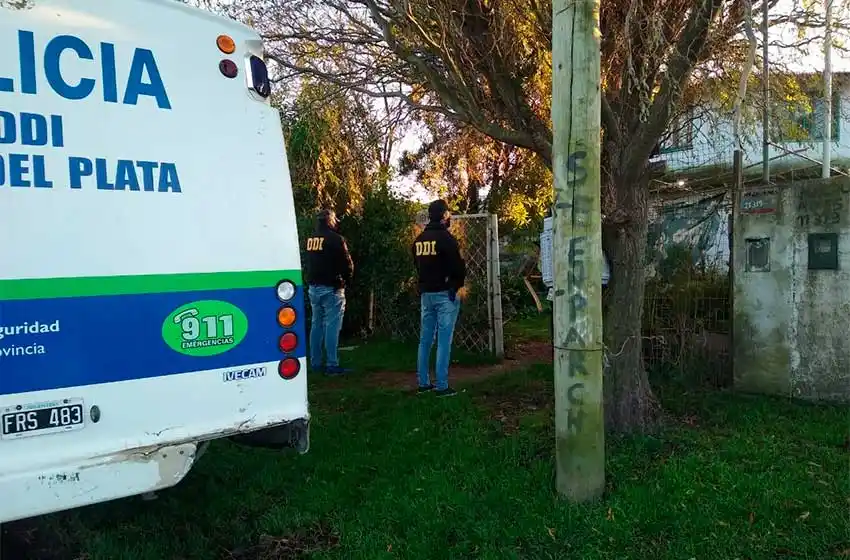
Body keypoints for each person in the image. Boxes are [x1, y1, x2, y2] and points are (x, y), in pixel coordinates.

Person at [412, 199, 466, 397]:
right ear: (444, 215)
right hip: (445, 294)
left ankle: (423, 383)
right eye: (448, 213)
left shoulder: (419, 240)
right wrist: (455, 286)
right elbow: (459, 268)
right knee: (444, 341)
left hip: (426, 294)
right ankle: (442, 385)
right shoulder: (447, 239)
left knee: (425, 340)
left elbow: (416, 265)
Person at [304, 209, 354, 376]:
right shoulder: (336, 239)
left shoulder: (311, 239)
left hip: (313, 287)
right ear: (330, 221)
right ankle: (332, 364)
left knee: (316, 325)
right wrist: (347, 281)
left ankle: (315, 363)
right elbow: (348, 264)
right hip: (332, 288)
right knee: (332, 326)